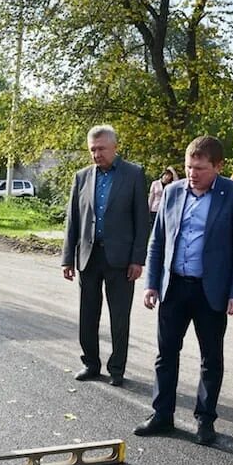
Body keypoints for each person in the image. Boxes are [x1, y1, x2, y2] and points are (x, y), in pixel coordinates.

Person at [136, 135, 233, 446]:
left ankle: (205, 419)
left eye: (200, 168)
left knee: (210, 357)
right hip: (174, 287)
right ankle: (162, 414)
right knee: (166, 353)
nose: (193, 174)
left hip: (210, 291)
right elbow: (158, 240)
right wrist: (151, 283)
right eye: (189, 167)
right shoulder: (172, 193)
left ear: (218, 166)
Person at [61, 125, 150, 387]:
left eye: (101, 149)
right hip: (89, 256)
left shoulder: (133, 174)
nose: (96, 154)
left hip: (121, 260)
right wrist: (68, 258)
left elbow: (141, 221)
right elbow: (73, 219)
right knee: (87, 314)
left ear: (114, 147)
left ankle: (117, 369)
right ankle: (90, 363)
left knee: (119, 317)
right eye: (92, 150)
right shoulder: (82, 177)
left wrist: (137, 259)